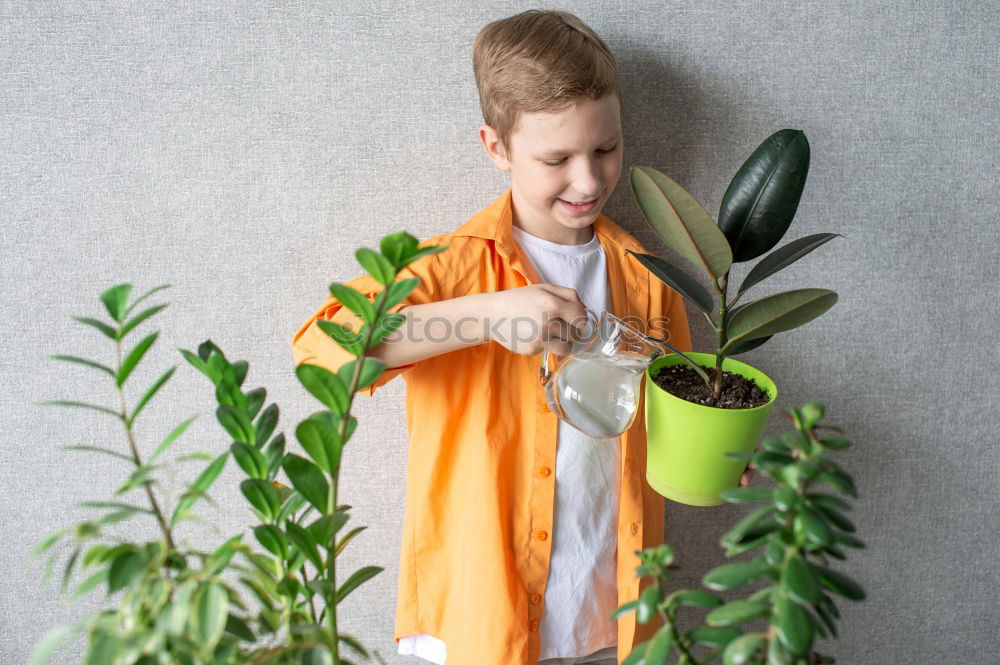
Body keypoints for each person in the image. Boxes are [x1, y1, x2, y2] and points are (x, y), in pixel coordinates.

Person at [291, 9, 751, 665]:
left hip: (612, 622)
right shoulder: (450, 267)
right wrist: (486, 315)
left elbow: (675, 412)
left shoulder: (647, 280)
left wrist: (723, 452)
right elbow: (324, 352)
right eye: (557, 158)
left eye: (606, 149)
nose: (588, 180)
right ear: (496, 147)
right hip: (476, 622)